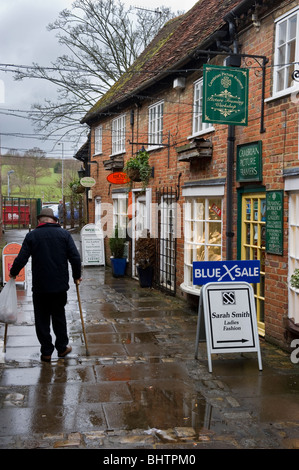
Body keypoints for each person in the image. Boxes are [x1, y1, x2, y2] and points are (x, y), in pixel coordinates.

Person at [10, 207, 82, 363]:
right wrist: (77, 276)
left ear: (39, 221)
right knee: (58, 316)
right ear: (54, 221)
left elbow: (22, 258)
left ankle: (46, 352)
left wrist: (13, 273)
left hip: (40, 286)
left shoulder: (32, 236)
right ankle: (62, 348)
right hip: (59, 286)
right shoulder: (64, 235)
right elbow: (75, 258)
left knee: (41, 319)